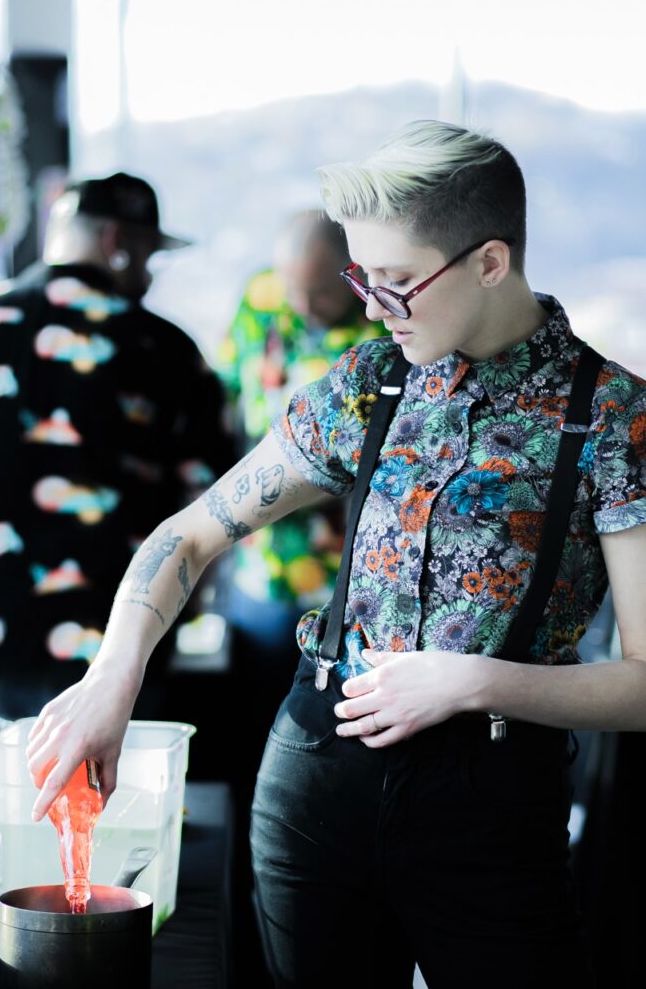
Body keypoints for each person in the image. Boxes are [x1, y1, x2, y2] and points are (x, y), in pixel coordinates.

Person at [26, 122, 646, 988]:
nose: (374, 306)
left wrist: (470, 680)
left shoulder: (617, 417)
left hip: (490, 806)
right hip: (314, 784)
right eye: (362, 278)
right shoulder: (365, 384)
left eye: (396, 282)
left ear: (490, 262)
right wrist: (110, 681)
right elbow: (185, 535)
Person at [0, 172, 235, 720]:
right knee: (114, 801)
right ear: (116, 243)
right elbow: (215, 507)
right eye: (149, 254)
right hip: (122, 640)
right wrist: (182, 608)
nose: (149, 274)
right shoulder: (167, 349)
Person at [216, 210, 380, 982]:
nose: (304, 308)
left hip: (343, 600)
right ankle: (252, 951)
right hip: (256, 582)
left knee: (326, 783)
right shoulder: (259, 298)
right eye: (295, 291)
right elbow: (225, 400)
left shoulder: (381, 340)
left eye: (320, 295)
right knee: (254, 766)